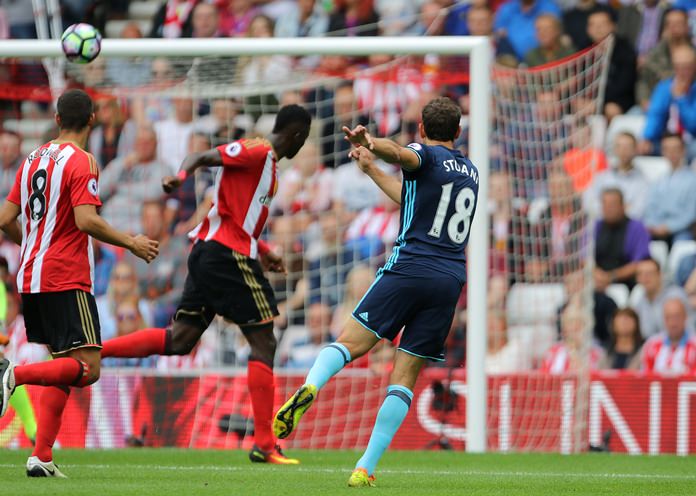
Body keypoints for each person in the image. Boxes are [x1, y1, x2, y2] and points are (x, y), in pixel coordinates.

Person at [273, 97, 479, 487]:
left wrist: (371, 143)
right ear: (458, 132)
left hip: (411, 266)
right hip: (449, 278)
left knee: (350, 343)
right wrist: (370, 171)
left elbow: (403, 154)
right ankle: (365, 467)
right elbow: (412, 201)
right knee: (404, 376)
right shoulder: (470, 171)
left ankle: (310, 387)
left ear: (421, 128)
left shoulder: (424, 155)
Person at [98, 104, 312, 464]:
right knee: (263, 339)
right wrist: (179, 179)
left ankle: (97, 351)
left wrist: (264, 249)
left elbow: (233, 214)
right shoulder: (257, 150)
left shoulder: (268, 165)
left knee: (179, 340)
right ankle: (264, 442)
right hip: (226, 256)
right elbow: (200, 155)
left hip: (212, 252)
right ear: (298, 136)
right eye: (302, 140)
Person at [0, 89, 159, 477]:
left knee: (63, 364)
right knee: (88, 368)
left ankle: (42, 456)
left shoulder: (33, 158)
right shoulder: (83, 160)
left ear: (56, 119)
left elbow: (5, 218)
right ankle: (12, 375)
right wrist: (132, 242)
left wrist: (35, 243)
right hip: (66, 276)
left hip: (31, 274)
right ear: (92, 121)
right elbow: (86, 220)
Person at [643, 133, 696, 243]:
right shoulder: (658, 180)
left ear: (683, 150)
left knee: (683, 242)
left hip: (682, 230)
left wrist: (669, 227)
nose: (672, 153)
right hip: (657, 228)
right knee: (641, 239)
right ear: (663, 152)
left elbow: (691, 213)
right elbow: (650, 207)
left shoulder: (692, 180)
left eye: (675, 149)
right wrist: (653, 225)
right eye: (667, 149)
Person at [593, 188, 651, 290]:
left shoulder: (637, 228)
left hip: (627, 283)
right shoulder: (594, 227)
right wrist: (596, 274)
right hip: (596, 281)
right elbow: (584, 259)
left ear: (623, 206)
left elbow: (639, 263)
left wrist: (611, 277)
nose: (608, 209)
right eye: (605, 204)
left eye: (612, 205)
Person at [584, 132, 649, 220]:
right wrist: (621, 209)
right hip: (602, 226)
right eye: (619, 146)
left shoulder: (643, 182)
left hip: (628, 229)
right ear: (614, 149)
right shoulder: (601, 177)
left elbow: (639, 211)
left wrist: (608, 208)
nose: (623, 150)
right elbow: (589, 203)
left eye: (628, 147)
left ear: (635, 150)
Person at [633, 258, 689, 338]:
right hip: (651, 347)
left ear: (659, 274)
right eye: (640, 274)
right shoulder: (639, 303)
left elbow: (689, 326)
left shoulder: (676, 295)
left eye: (649, 273)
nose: (645, 278)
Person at [641, 298, 696, 374]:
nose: (673, 322)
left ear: (685, 317)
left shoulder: (694, 345)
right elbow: (645, 378)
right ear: (663, 319)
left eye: (677, 317)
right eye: (668, 317)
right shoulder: (651, 345)